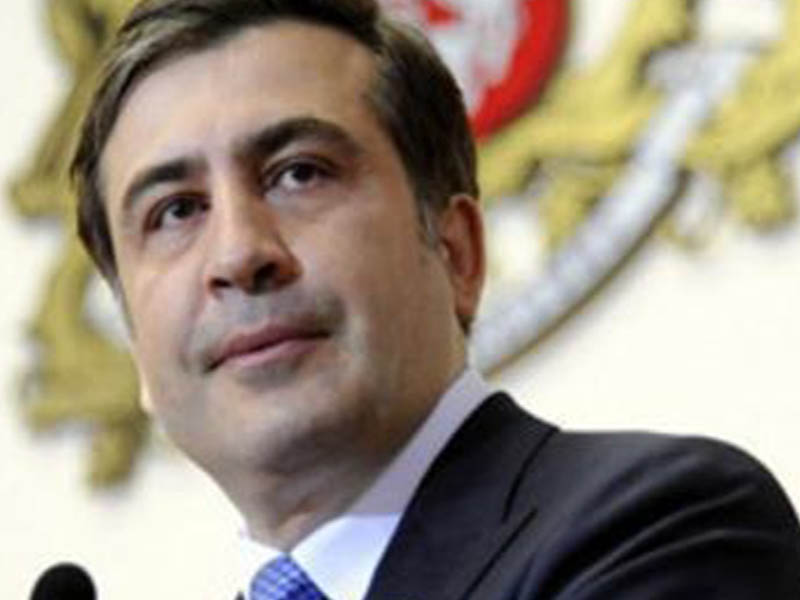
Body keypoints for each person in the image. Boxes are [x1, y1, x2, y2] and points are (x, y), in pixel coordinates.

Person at [70, 0, 800, 597]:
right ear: (137, 350)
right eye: (175, 211)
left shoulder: (661, 527)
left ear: (456, 253)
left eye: (299, 173)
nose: (238, 254)